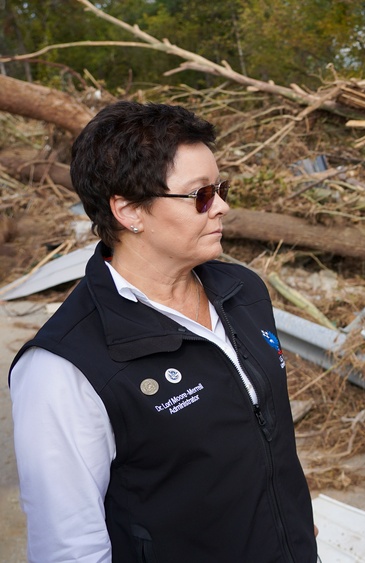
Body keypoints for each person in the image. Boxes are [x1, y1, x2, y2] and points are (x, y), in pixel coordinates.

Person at [9, 101, 318, 562]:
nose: (223, 207)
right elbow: (69, 548)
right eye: (201, 195)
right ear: (129, 211)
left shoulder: (244, 293)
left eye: (221, 188)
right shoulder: (64, 369)